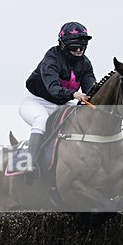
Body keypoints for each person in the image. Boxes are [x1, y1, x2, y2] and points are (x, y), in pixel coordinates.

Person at [18, 22, 97, 174]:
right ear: (63, 45)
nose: (79, 50)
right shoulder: (51, 59)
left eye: (83, 46)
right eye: (75, 47)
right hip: (36, 101)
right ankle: (30, 163)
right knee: (41, 119)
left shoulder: (85, 64)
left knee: (82, 120)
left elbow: (91, 91)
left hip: (63, 103)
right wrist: (73, 94)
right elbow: (53, 88)